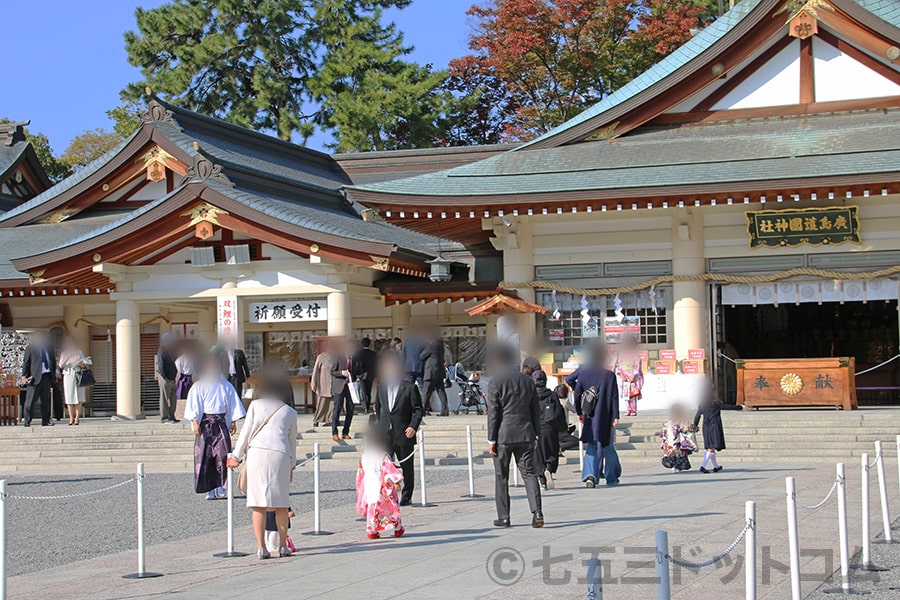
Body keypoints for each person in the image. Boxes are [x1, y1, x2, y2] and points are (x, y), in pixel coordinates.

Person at [228, 366, 298, 560]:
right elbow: (293, 442)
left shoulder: (255, 406)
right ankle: (282, 546)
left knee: (258, 503)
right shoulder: (290, 412)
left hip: (257, 452)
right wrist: (292, 465)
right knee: (281, 503)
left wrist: (236, 456)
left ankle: (261, 547)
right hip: (281, 453)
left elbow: (246, 433)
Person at [486, 343, 543, 528]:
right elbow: (536, 410)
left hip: (503, 435)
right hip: (526, 432)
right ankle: (537, 512)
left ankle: (504, 516)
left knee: (501, 476)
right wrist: (536, 434)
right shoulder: (528, 381)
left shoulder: (496, 382)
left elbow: (493, 413)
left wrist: (491, 439)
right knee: (529, 474)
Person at [184, 355, 246, 500]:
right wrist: (194, 422)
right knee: (205, 458)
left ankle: (221, 487)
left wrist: (232, 421)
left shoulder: (226, 385)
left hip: (220, 423)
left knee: (222, 456)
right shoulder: (198, 386)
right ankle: (209, 490)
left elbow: (232, 404)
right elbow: (194, 405)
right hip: (205, 424)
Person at [375, 351, 423, 506]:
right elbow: (378, 408)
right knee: (386, 466)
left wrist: (412, 426)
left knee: (406, 466)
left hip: (403, 433)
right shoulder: (381, 387)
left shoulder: (409, 388)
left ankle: (407, 495)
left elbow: (418, 409)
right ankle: (388, 494)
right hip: (385, 434)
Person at [574, 342, 621, 488]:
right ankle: (612, 477)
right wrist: (616, 416)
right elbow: (614, 397)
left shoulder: (583, 374)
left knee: (592, 445)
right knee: (608, 446)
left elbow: (577, 395)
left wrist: (579, 412)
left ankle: (590, 475)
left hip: (590, 416)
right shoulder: (609, 376)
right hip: (606, 416)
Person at [356, 427, 405, 539]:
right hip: (381, 485)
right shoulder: (382, 456)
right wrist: (396, 481)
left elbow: (360, 472)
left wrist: (360, 484)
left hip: (369, 484)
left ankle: (372, 530)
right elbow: (389, 469)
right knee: (390, 508)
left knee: (372, 508)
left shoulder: (365, 456)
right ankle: (397, 528)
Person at [693, 383, 746, 473]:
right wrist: (740, 407)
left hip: (706, 426)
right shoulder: (715, 402)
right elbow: (727, 407)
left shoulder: (702, 403)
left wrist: (695, 425)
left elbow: (697, 415)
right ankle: (703, 466)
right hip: (714, 425)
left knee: (710, 446)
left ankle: (716, 466)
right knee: (711, 447)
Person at [533, 370, 567, 490]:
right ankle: (549, 469)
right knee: (552, 452)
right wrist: (563, 429)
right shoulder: (552, 395)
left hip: (535, 429)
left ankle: (542, 481)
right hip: (550, 428)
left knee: (538, 456)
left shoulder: (530, 395)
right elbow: (559, 412)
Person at [20, 332, 57, 427]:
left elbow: (53, 361)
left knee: (45, 400)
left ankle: (46, 420)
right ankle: (27, 420)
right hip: (35, 377)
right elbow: (26, 363)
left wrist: (53, 376)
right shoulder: (31, 348)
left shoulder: (49, 348)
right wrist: (24, 376)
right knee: (30, 401)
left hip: (46, 376)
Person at [58, 336, 88, 426]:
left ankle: (77, 418)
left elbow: (85, 365)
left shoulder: (79, 352)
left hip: (78, 375)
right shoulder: (64, 353)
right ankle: (71, 417)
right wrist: (68, 357)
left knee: (79, 397)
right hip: (68, 375)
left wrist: (81, 364)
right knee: (69, 397)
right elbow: (61, 365)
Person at [660, 404, 696, 473]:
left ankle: (674, 465)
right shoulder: (681, 421)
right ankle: (676, 466)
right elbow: (685, 429)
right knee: (678, 454)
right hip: (676, 440)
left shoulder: (669, 421)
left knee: (674, 454)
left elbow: (664, 431)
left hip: (672, 440)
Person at [331, 340, 355, 441]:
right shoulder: (339, 357)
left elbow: (357, 370)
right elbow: (332, 371)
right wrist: (341, 373)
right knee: (337, 409)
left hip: (350, 387)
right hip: (339, 386)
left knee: (350, 409)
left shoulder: (354, 359)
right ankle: (334, 432)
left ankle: (346, 432)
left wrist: (356, 377)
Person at [420, 330, 448, 416]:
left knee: (426, 391)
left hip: (431, 371)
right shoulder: (440, 345)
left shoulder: (430, 344)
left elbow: (422, 356)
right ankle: (445, 410)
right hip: (440, 371)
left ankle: (424, 410)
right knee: (441, 391)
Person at [615, 337, 644, 416]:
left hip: (633, 378)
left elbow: (637, 367)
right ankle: (628, 409)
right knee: (626, 394)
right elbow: (619, 366)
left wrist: (633, 376)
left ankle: (633, 409)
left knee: (633, 394)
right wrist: (621, 375)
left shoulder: (636, 356)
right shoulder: (622, 355)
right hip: (624, 376)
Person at [156, 333, 179, 424]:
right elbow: (161, 365)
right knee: (164, 399)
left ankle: (172, 416)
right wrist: (164, 376)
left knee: (173, 398)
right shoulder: (162, 350)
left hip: (173, 378)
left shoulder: (171, 350)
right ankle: (164, 418)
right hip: (165, 378)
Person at [310, 345, 335, 428]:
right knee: (321, 403)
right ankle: (317, 420)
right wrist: (313, 383)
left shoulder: (336, 357)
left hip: (334, 384)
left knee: (332, 404)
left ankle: (330, 419)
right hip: (323, 384)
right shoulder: (321, 357)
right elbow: (315, 370)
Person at [352, 337, 378, 413]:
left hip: (361, 374)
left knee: (363, 390)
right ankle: (367, 405)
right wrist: (375, 375)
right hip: (370, 374)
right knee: (368, 390)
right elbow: (375, 365)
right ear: (369, 344)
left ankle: (365, 407)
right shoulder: (373, 354)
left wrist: (354, 376)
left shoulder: (358, 353)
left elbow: (355, 365)